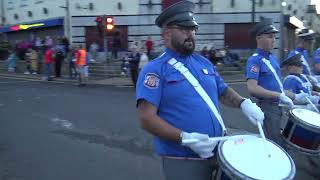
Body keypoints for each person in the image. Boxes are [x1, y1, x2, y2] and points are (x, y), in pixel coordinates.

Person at [136, 1, 265, 179]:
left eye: (193, 29)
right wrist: (185, 138)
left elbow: (223, 91)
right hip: (183, 158)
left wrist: (244, 103)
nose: (191, 34)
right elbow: (146, 118)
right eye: (184, 29)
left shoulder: (203, 62)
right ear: (166, 34)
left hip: (218, 149)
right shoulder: (154, 70)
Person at [246, 18, 308, 147]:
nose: (273, 39)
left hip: (278, 106)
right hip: (267, 107)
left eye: (274, 36)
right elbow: (252, 88)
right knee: (275, 144)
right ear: (259, 38)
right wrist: (278, 96)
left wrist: (295, 96)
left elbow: (278, 88)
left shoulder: (272, 59)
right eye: (269, 36)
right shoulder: (254, 60)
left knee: (280, 140)